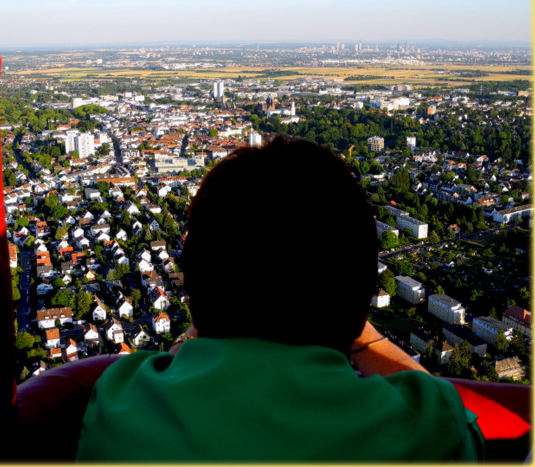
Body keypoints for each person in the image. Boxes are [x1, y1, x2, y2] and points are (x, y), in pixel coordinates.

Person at [76, 137, 484, 462]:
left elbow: (175, 366)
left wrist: (206, 315)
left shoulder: (120, 400)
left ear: (195, 284)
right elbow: (459, 427)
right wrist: (364, 334)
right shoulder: (426, 430)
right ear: (359, 293)